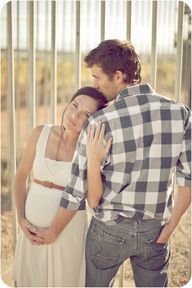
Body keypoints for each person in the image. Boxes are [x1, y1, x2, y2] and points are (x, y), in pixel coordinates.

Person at [36, 39, 191, 287]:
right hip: (156, 231)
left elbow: (78, 192)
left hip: (108, 231)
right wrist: (170, 228)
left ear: (118, 76)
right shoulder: (179, 112)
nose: (95, 84)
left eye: (98, 78)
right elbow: (188, 179)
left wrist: (52, 231)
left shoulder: (99, 121)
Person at [12, 86, 110, 287]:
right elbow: (20, 177)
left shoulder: (89, 149)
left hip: (68, 232)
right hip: (31, 229)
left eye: (86, 114)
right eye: (74, 105)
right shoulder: (40, 132)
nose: (74, 115)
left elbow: (93, 199)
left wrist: (93, 158)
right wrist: (20, 219)